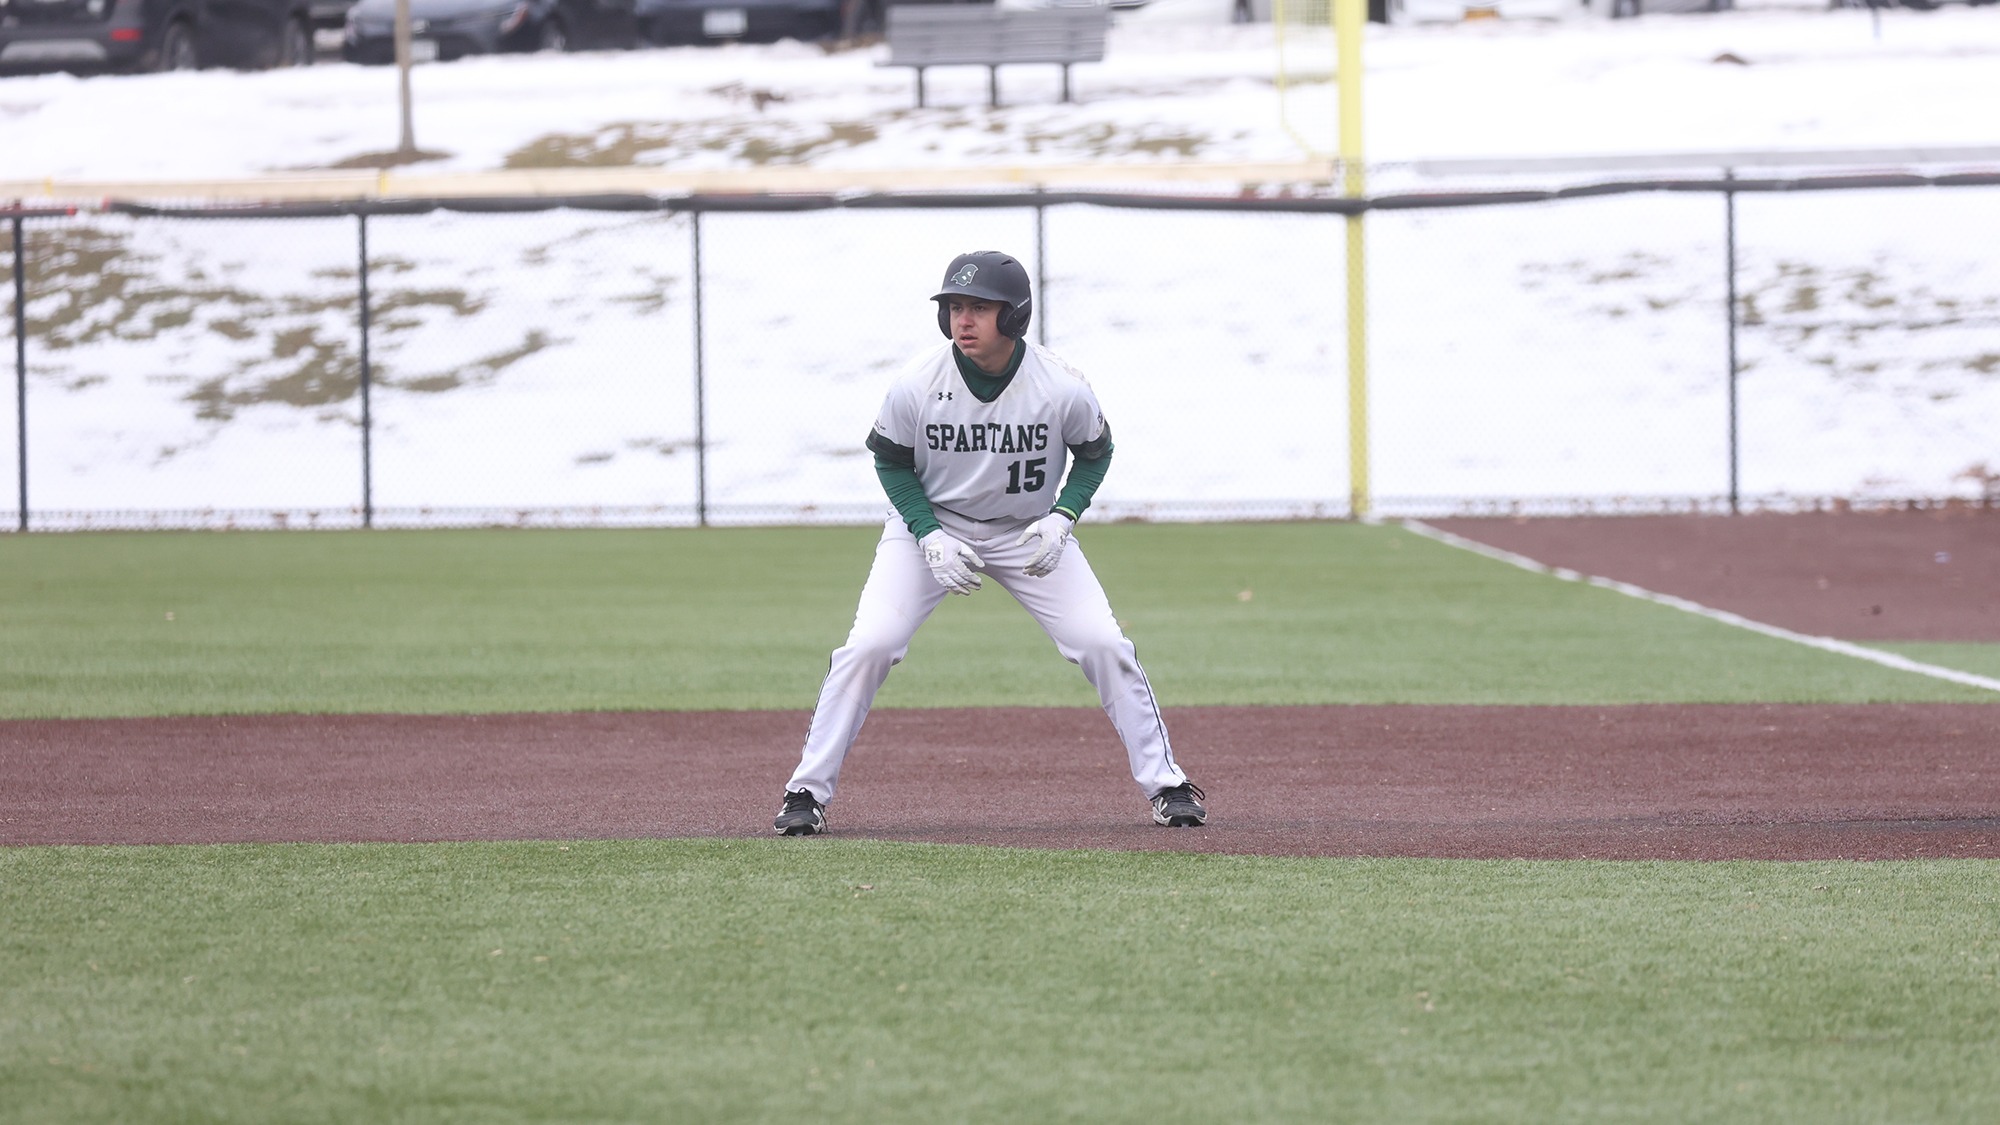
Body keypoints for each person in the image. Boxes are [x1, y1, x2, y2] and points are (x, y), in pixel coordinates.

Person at [772, 250, 1206, 836]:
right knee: (870, 646)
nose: (963, 320)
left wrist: (1063, 517)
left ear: (1016, 315)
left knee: (1102, 643)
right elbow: (891, 462)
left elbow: (1095, 452)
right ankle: (805, 792)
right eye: (954, 307)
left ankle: (1168, 785)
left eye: (979, 307)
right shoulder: (917, 383)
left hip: (1027, 533)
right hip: (929, 526)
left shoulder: (1060, 386)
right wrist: (927, 535)